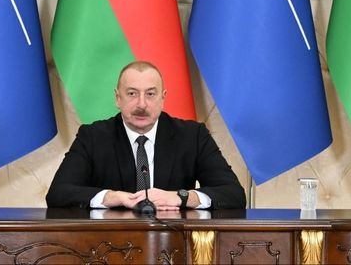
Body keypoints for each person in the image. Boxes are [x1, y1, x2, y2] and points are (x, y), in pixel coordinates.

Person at [46, 60, 246, 210]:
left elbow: (234, 194)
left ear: (163, 98)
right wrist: (110, 197)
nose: (141, 104)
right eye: (132, 93)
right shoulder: (93, 137)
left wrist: (181, 197)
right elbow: (58, 193)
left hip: (173, 242)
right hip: (109, 241)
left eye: (150, 94)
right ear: (118, 98)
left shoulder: (192, 136)